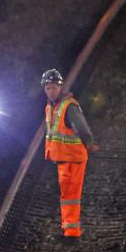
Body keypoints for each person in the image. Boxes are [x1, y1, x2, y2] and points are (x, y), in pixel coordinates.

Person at [41, 69, 100, 241]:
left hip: (73, 158)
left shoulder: (69, 106)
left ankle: (72, 232)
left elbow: (81, 127)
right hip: (63, 158)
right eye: (47, 88)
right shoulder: (51, 107)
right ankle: (68, 229)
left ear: (60, 87)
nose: (50, 91)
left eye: (53, 87)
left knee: (70, 195)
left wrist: (89, 143)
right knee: (68, 195)